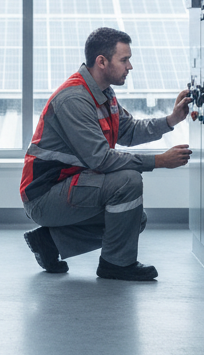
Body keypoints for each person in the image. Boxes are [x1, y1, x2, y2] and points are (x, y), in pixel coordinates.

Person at [20, 27, 192, 281]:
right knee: (128, 181)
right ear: (102, 61)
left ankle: (50, 242)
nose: (130, 66)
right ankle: (116, 265)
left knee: (133, 220)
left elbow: (129, 131)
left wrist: (171, 120)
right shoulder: (75, 100)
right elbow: (101, 159)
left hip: (72, 186)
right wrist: (159, 161)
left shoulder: (102, 94)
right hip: (45, 196)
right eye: (124, 60)